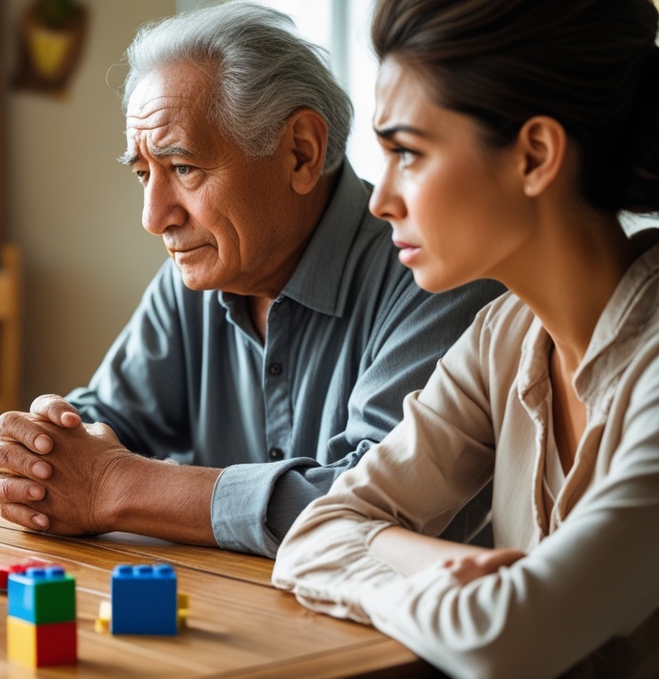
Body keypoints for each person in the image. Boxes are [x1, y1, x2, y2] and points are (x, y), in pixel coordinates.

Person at [0, 1, 503, 556]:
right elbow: (102, 423)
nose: (154, 218)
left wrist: (113, 485)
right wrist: (42, 449)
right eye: (143, 174)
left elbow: (369, 508)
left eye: (183, 168)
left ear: (300, 152)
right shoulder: (194, 276)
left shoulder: (436, 272)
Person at [272, 0, 659, 675]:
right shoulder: (501, 337)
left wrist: (397, 562)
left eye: (408, 153)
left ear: (535, 155)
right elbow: (314, 534)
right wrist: (459, 571)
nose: (379, 198)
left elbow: (504, 639)